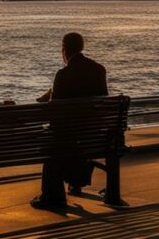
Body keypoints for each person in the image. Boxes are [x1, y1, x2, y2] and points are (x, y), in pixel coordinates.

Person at [32, 32, 108, 209]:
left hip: (69, 137)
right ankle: (76, 181)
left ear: (64, 50)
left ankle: (52, 196)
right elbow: (101, 101)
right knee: (75, 139)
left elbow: (55, 112)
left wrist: (49, 99)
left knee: (53, 143)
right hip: (95, 136)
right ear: (81, 47)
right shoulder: (99, 69)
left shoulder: (63, 74)